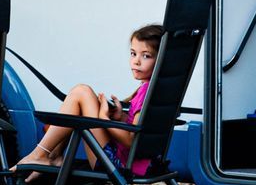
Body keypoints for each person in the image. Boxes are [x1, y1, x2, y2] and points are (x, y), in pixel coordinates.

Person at [15, 22, 163, 177]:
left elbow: (132, 141)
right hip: (138, 162)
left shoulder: (146, 92)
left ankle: (41, 154)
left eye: (146, 56)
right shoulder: (154, 89)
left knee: (81, 92)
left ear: (160, 60)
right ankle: (52, 155)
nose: (136, 61)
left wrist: (103, 118)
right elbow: (140, 128)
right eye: (133, 53)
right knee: (83, 97)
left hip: (116, 164)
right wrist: (121, 117)